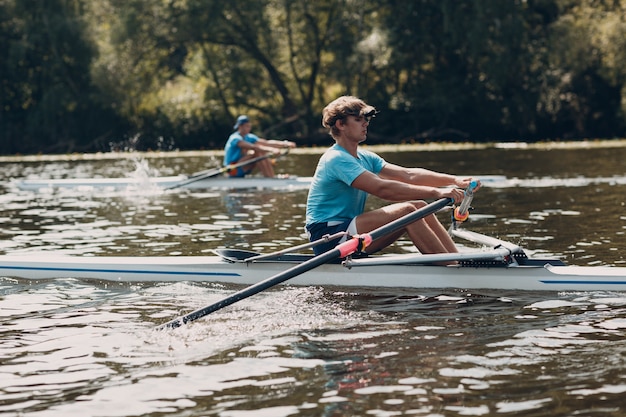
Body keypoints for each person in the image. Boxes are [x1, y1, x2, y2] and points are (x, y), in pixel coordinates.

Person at [305, 95, 481, 256]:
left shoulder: (365, 157)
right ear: (340, 125)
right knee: (407, 211)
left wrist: (455, 180)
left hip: (348, 231)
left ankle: (456, 261)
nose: (365, 123)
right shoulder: (336, 158)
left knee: (420, 206)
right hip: (328, 237)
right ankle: (451, 268)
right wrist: (437, 192)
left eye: (366, 119)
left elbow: (408, 174)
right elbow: (382, 189)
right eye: (358, 120)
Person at [223, 115, 296, 177]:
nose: (249, 128)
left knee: (260, 152)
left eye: (249, 126)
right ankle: (270, 178)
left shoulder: (249, 137)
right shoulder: (235, 138)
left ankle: (271, 177)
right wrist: (272, 150)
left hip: (242, 167)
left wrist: (285, 144)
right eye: (247, 126)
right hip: (232, 169)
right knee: (257, 152)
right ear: (240, 126)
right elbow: (253, 147)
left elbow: (267, 143)